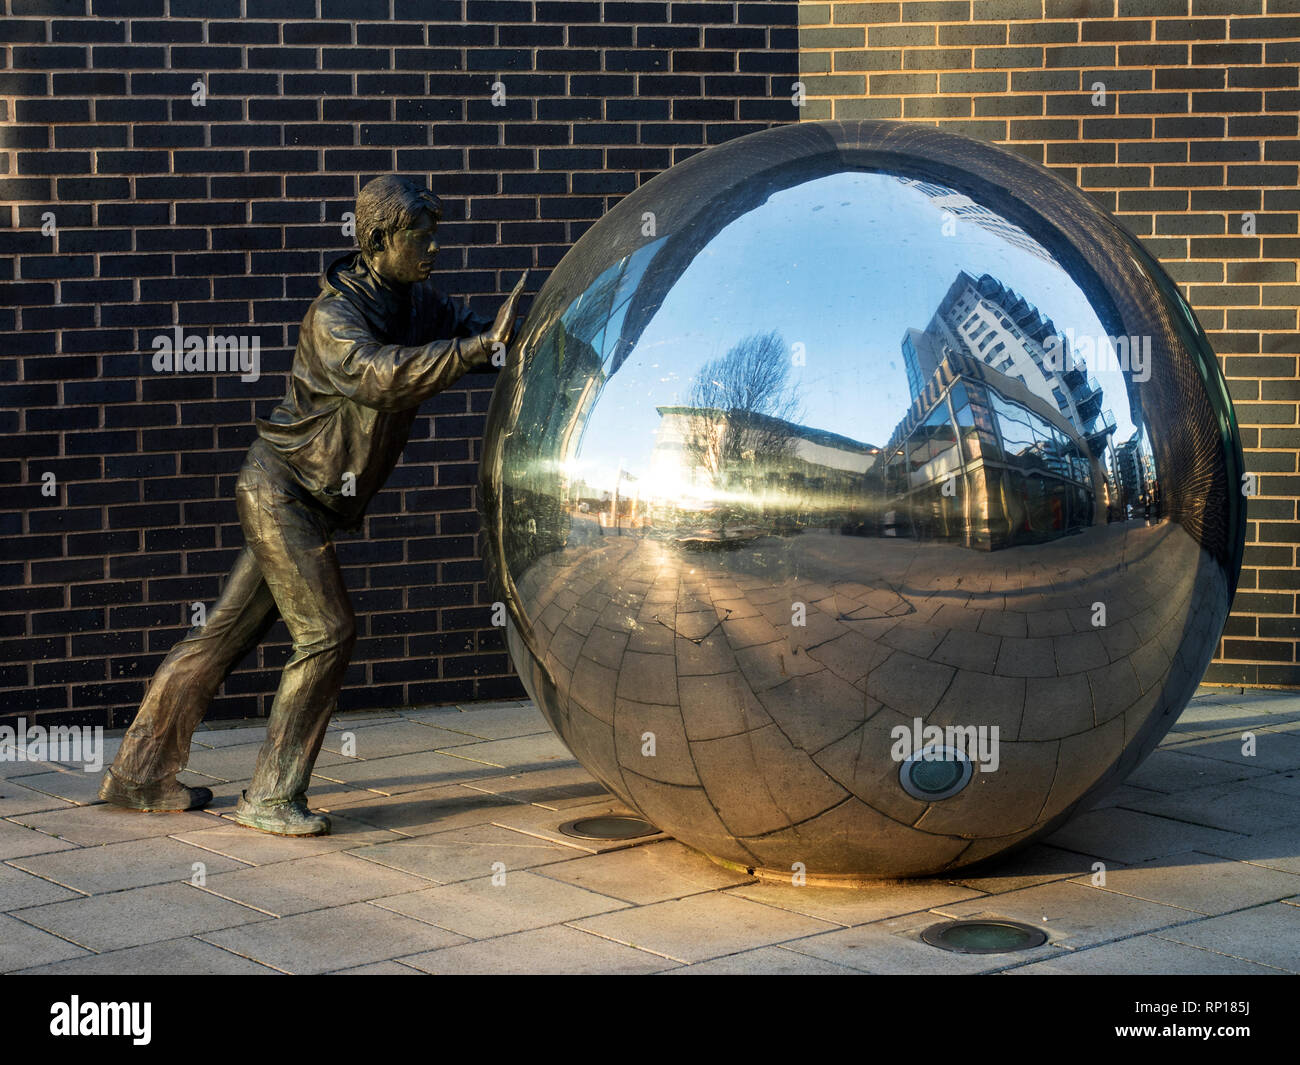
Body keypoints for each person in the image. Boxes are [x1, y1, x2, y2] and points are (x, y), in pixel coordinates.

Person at [98, 175, 529, 836]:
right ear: (379, 239)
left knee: (219, 637)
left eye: (435, 232)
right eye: (421, 234)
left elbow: (474, 338)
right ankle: (270, 796)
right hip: (282, 492)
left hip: (308, 501)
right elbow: (380, 376)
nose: (433, 247)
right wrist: (472, 350)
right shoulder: (335, 317)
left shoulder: (416, 304)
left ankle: (138, 774)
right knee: (327, 632)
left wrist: (520, 340)